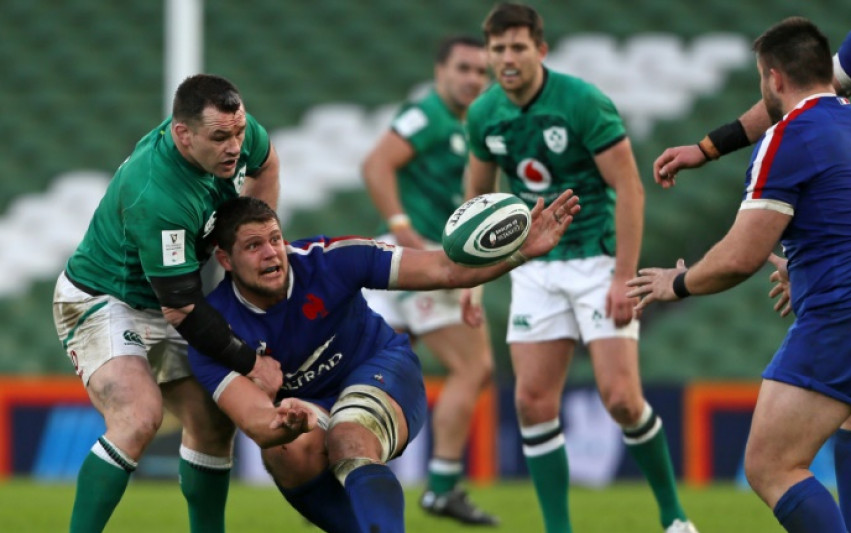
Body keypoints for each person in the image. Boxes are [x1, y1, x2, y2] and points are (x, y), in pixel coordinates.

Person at [629, 17, 851, 533]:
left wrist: (678, 283)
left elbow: (740, 256)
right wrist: (804, 264)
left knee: (770, 466)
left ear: (774, 79)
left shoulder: (788, 135)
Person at [186, 191, 579, 533]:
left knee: (348, 436)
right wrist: (285, 419)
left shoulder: (331, 260)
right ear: (225, 258)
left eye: (275, 238)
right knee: (285, 454)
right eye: (254, 246)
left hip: (381, 367)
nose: (272, 252)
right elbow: (259, 422)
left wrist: (521, 252)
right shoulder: (214, 333)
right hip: (309, 406)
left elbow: (445, 268)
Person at [463, 4, 697, 533]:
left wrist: (622, 276)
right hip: (535, 265)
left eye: (518, 47)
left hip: (597, 259)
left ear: (541, 50)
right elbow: (476, 199)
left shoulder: (582, 101)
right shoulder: (483, 114)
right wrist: (470, 280)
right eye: (498, 49)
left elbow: (629, 188)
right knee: (530, 401)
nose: (507, 58)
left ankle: (674, 515)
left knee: (620, 399)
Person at [51, 74, 284, 533]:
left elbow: (268, 165)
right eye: (220, 138)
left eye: (237, 133)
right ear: (183, 134)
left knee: (214, 423)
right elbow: (181, 309)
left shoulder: (235, 126)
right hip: (105, 299)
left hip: (172, 298)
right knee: (138, 417)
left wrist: (250, 240)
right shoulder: (158, 194)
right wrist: (249, 363)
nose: (234, 146)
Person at [360, 35, 499, 526]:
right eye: (463, 68)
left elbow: (481, 214)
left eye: (481, 72)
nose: (472, 79)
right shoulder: (429, 116)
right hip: (417, 265)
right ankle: (440, 486)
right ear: (441, 71)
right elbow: (376, 164)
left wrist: (473, 283)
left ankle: (334, 477)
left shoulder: (476, 127)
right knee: (473, 365)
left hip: (439, 268)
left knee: (368, 371)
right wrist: (403, 230)